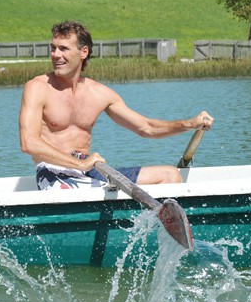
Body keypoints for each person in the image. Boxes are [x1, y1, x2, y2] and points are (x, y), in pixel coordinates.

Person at [19, 20, 214, 190]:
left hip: (90, 171)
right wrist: (80, 165)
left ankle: (138, 230)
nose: (55, 54)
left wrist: (189, 124)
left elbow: (146, 127)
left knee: (170, 175)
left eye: (63, 48)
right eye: (53, 48)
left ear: (83, 52)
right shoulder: (37, 88)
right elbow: (29, 142)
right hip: (54, 174)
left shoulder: (99, 93)